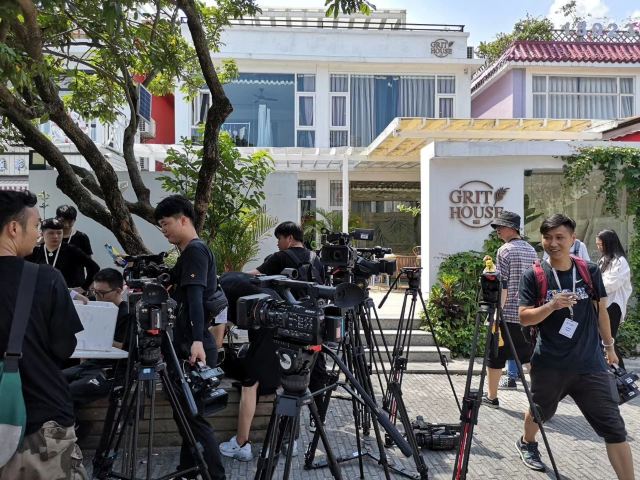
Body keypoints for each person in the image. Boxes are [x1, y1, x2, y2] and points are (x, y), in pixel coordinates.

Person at [516, 214, 634, 478]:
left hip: (590, 365)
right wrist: (551, 305)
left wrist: (609, 347)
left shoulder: (588, 271)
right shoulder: (534, 275)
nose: (553, 243)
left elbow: (601, 312)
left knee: (614, 429)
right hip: (550, 364)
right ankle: (527, 442)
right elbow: (524, 317)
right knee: (540, 412)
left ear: (572, 239)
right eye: (548, 237)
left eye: (560, 237)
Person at [219, 221, 326, 461]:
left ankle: (242, 444)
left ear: (289, 238)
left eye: (279, 238)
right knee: (294, 384)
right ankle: (291, 441)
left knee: (251, 384)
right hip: (307, 326)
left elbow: (255, 277)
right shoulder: (315, 258)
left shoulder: (279, 257)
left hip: (275, 321)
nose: (278, 243)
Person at [0, 190, 88, 480]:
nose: (38, 233)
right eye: (36, 225)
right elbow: (64, 347)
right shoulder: (44, 278)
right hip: (40, 423)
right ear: (14, 228)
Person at [154, 195, 226, 480]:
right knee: (187, 415)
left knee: (194, 417)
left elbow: (196, 298)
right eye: (161, 225)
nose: (163, 230)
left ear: (183, 220)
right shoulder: (189, 252)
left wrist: (196, 341)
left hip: (193, 347)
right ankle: (187, 470)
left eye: (166, 223)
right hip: (190, 343)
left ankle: (215, 476)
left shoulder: (195, 250)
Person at [482, 211, 537, 407]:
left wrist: (497, 313)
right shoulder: (531, 250)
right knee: (528, 356)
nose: (497, 230)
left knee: (495, 354)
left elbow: (502, 284)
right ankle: (540, 397)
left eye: (501, 227)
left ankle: (492, 397)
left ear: (512, 228)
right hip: (528, 313)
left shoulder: (505, 250)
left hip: (507, 313)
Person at [26, 217, 99, 294]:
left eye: (59, 233)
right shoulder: (36, 250)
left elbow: (94, 268)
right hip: (43, 293)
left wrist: (83, 288)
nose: (56, 236)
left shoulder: (71, 250)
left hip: (68, 294)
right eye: (51, 233)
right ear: (42, 234)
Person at [596, 229, 632, 370]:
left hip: (613, 305)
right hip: (603, 305)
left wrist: (594, 288)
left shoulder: (620, 261)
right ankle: (616, 373)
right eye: (597, 244)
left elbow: (611, 284)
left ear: (609, 243)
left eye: (601, 244)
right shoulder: (603, 260)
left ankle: (621, 373)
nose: (599, 247)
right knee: (605, 339)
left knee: (608, 340)